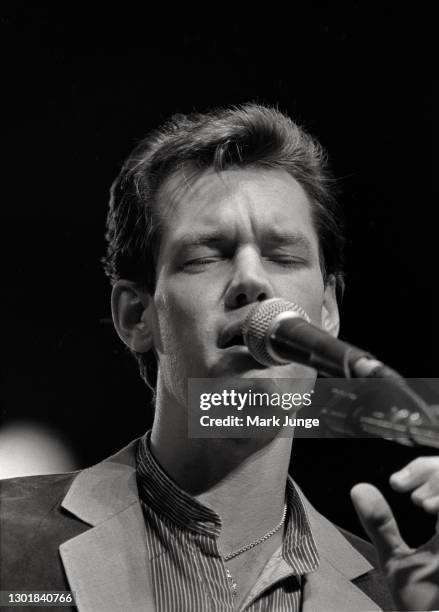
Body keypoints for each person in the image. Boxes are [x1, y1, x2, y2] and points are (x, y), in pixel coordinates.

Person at [1, 104, 438, 611]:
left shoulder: (394, 597)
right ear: (136, 315)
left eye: (284, 255)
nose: (252, 281)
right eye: (206, 256)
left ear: (326, 313)